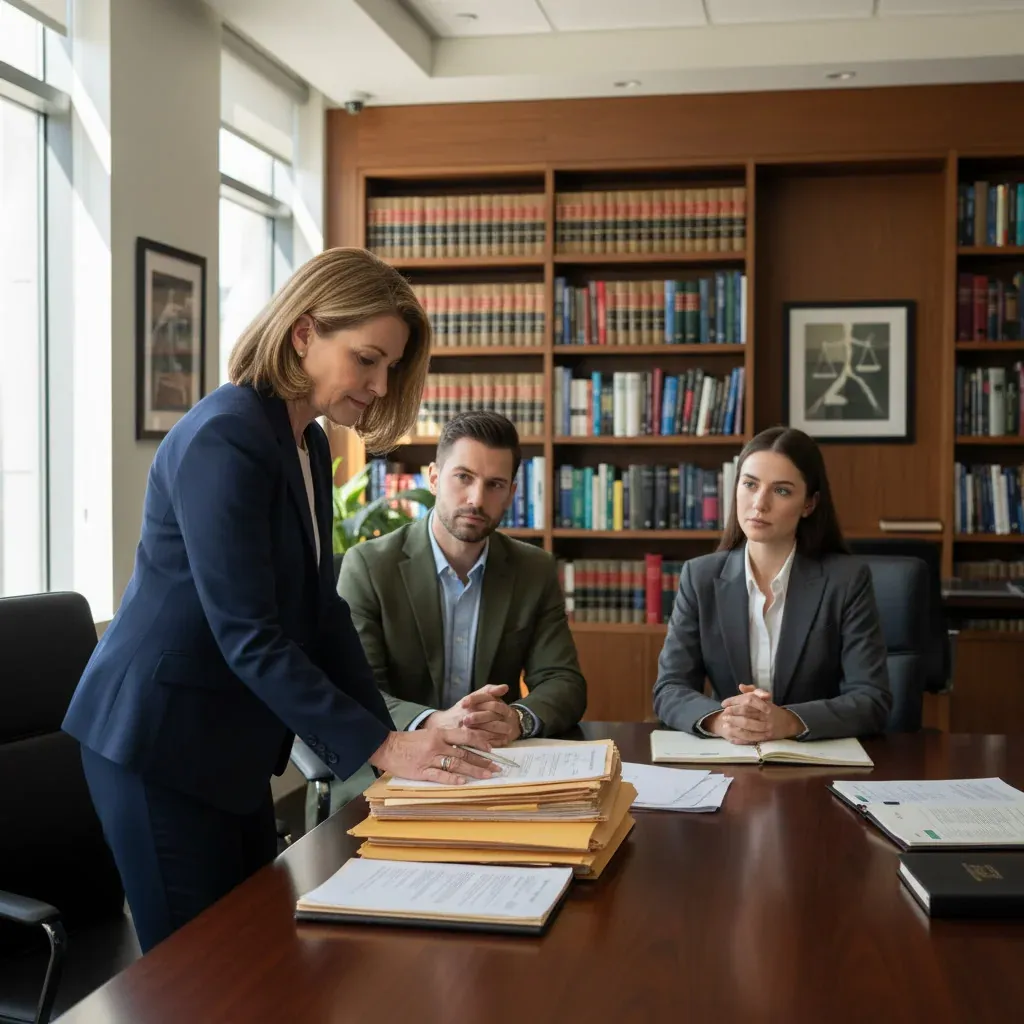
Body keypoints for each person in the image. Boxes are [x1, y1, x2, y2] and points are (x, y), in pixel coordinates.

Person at [62, 248, 500, 954]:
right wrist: (384, 746)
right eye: (367, 359)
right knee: (198, 975)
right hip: (159, 742)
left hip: (224, 745)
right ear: (304, 333)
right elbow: (250, 636)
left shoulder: (307, 442)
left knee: (254, 952)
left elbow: (321, 614)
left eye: (389, 367)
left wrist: (391, 742)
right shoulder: (225, 437)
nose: (379, 384)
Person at [339, 410, 587, 750]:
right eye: (463, 477)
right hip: (394, 760)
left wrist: (517, 718)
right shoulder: (368, 567)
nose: (476, 499)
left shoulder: (534, 570)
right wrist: (433, 721)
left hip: (492, 761)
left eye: (494, 485)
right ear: (434, 478)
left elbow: (563, 681)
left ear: (512, 492)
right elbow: (355, 690)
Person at [652, 425, 891, 743]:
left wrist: (790, 721)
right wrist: (723, 721)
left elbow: (872, 699)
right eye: (750, 484)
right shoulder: (700, 577)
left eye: (781, 491)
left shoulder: (845, 581)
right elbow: (669, 689)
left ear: (809, 504)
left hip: (816, 763)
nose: (759, 503)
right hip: (729, 758)